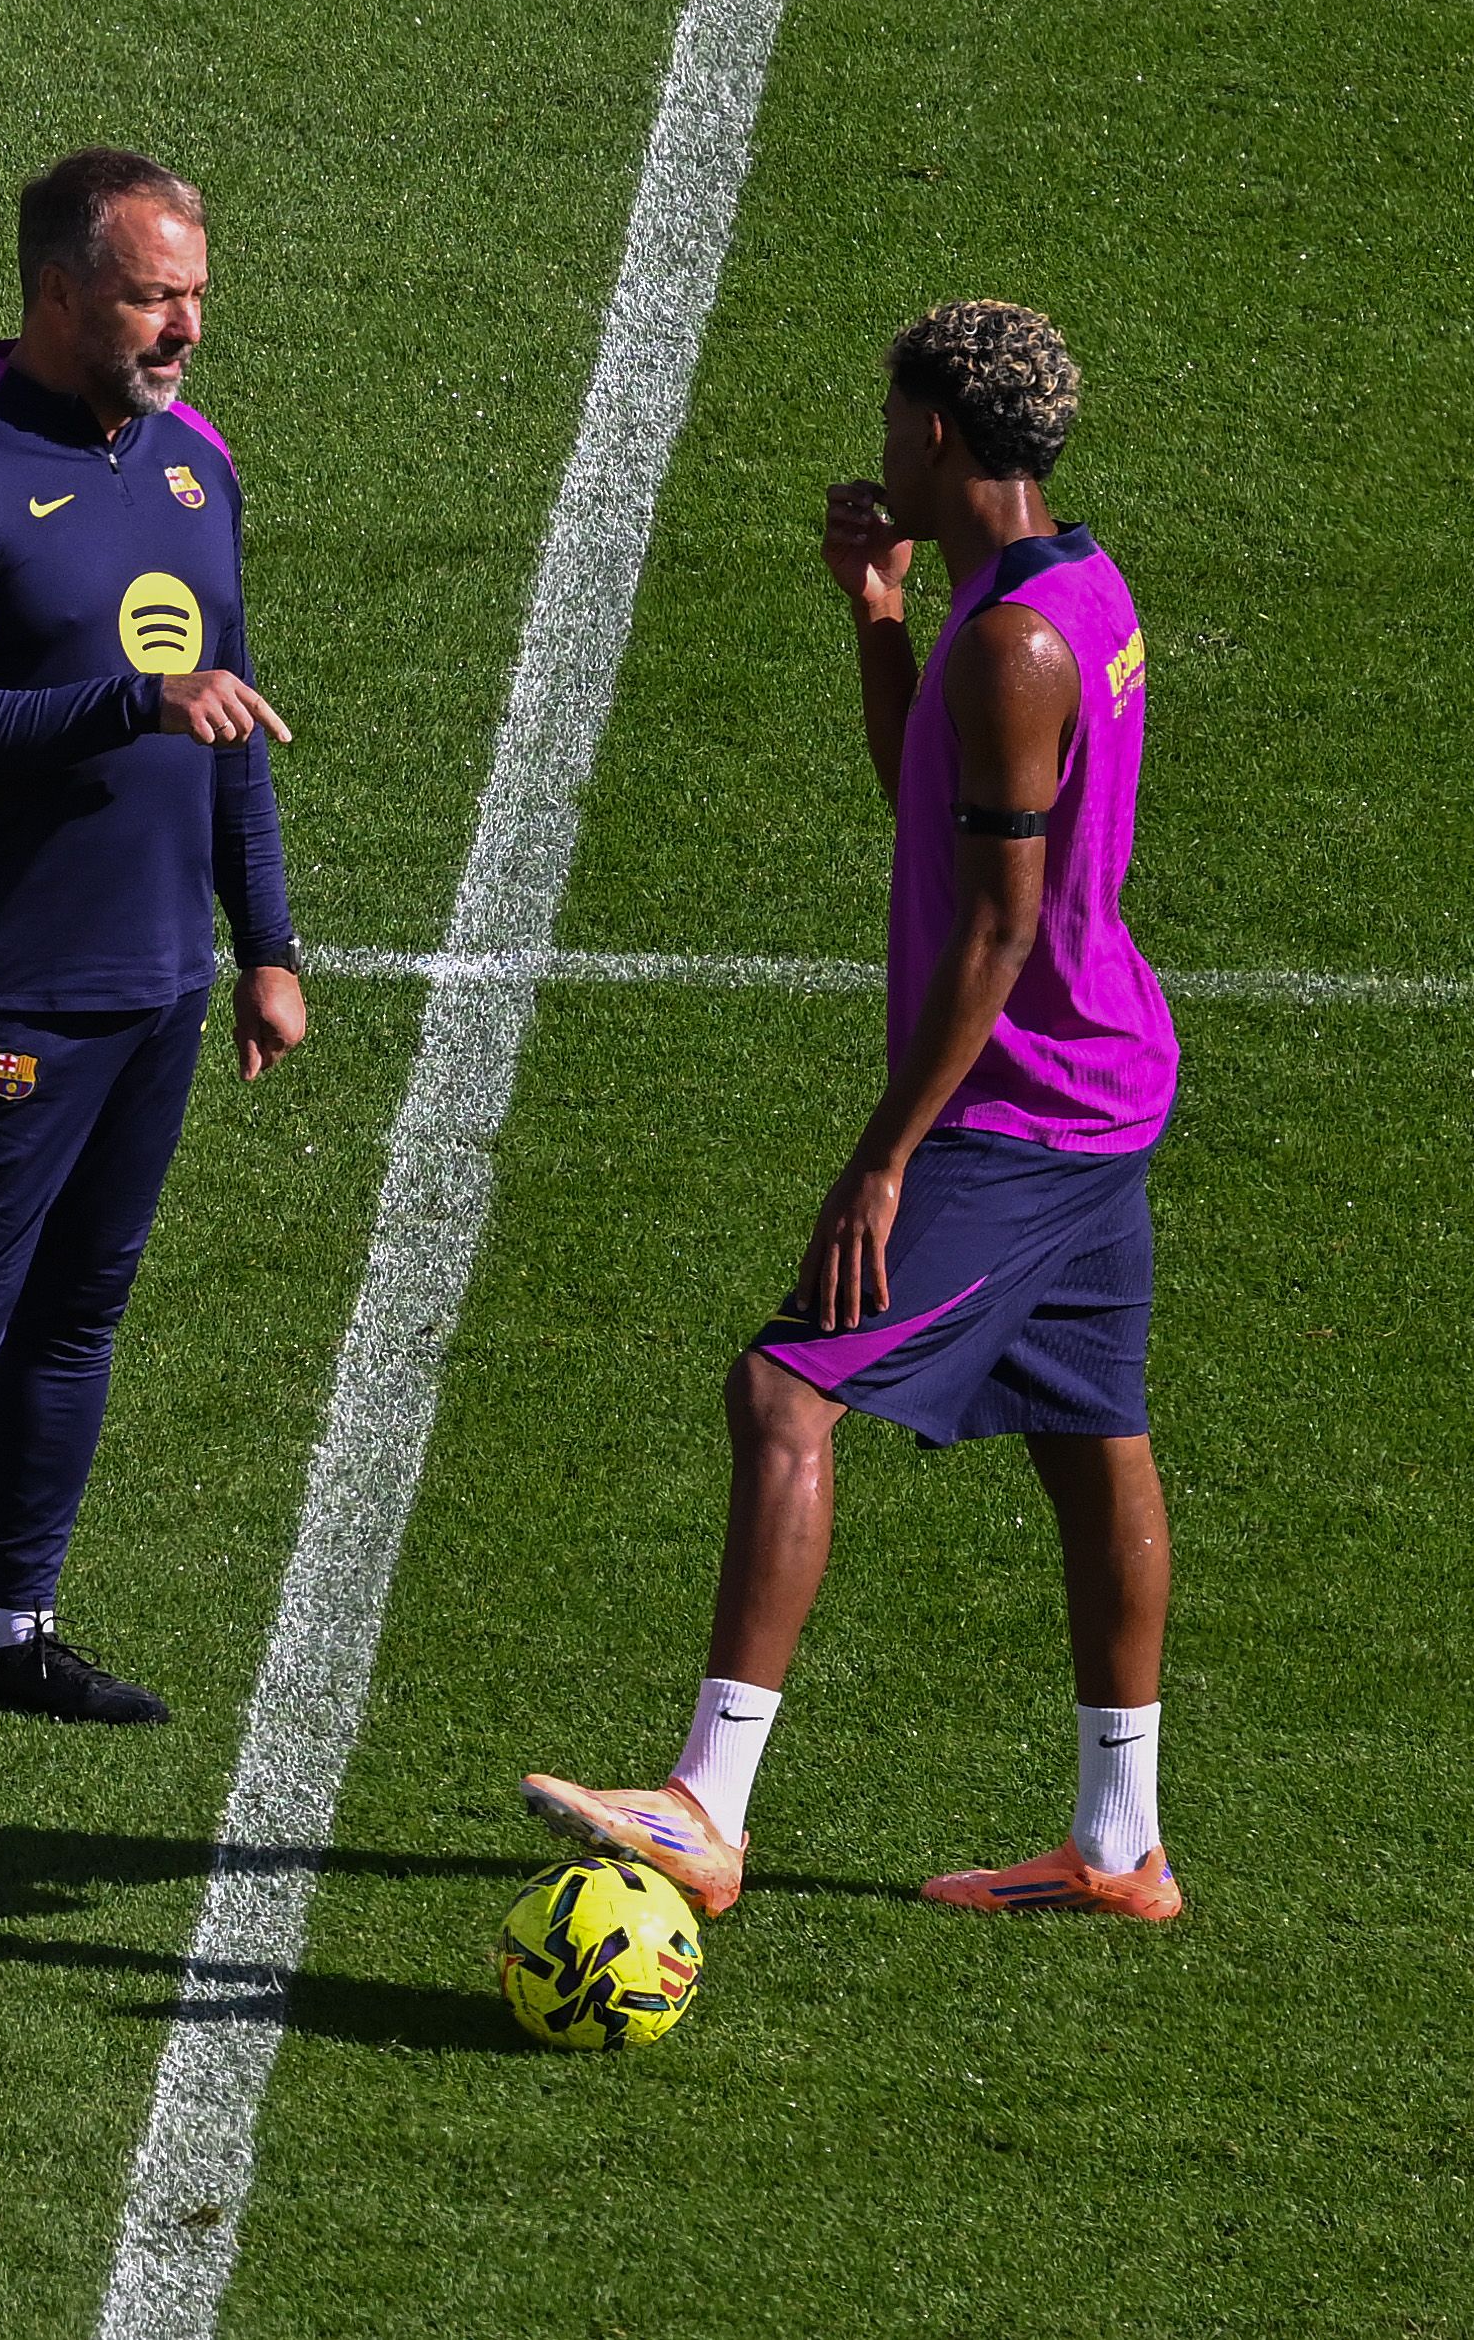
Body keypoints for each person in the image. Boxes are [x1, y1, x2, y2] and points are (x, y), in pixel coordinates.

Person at [522, 298, 1188, 1917]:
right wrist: (879, 616)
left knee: (784, 1394)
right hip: (1105, 1083)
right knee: (1092, 1434)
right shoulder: (1069, 597)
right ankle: (1120, 1847)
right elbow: (935, 796)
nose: (882, 452)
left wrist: (884, 1161)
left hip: (1021, 1109)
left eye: (895, 426)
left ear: (941, 436)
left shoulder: (1023, 641)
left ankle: (705, 1803)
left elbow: (998, 925)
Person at [0, 147, 310, 1790]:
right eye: (155, 295)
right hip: (16, 980)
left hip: (161, 978)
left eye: (196, 297)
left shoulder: (194, 463)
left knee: (81, 1315)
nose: (184, 328)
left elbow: (232, 713)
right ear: (56, 292)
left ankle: (9, 1629)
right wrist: (127, 705)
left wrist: (268, 944)